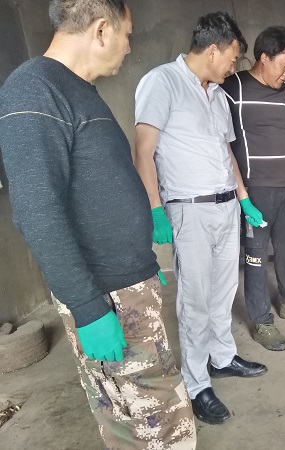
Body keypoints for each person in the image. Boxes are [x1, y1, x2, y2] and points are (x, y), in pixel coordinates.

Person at [0, 1, 196, 448]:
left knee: (140, 415)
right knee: (155, 420)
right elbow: (36, 210)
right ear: (102, 30)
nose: (129, 46)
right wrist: (88, 308)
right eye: (128, 34)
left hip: (125, 287)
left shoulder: (76, 89)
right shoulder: (34, 90)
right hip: (107, 295)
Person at [134, 12, 267, 425]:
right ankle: (196, 384)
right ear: (213, 50)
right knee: (194, 300)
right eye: (232, 58)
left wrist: (244, 199)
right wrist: (155, 209)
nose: (233, 66)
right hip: (188, 209)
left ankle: (222, 357)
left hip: (226, 207)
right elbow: (143, 150)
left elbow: (226, 153)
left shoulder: (218, 96)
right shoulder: (162, 82)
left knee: (224, 289)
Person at [221, 26, 285, 352]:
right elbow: (218, 137)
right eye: (284, 65)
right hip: (254, 191)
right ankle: (262, 321)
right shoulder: (232, 88)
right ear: (264, 57)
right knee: (255, 255)